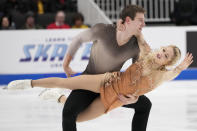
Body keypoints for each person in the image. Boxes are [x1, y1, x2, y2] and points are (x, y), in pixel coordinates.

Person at [8, 45, 193, 116]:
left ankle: (58, 98)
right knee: (66, 82)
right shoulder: (145, 53)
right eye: (163, 49)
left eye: (165, 55)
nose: (161, 53)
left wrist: (133, 100)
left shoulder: (161, 76)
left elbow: (174, 72)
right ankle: (28, 83)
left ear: (168, 61)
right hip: (107, 80)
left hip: (114, 99)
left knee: (79, 119)